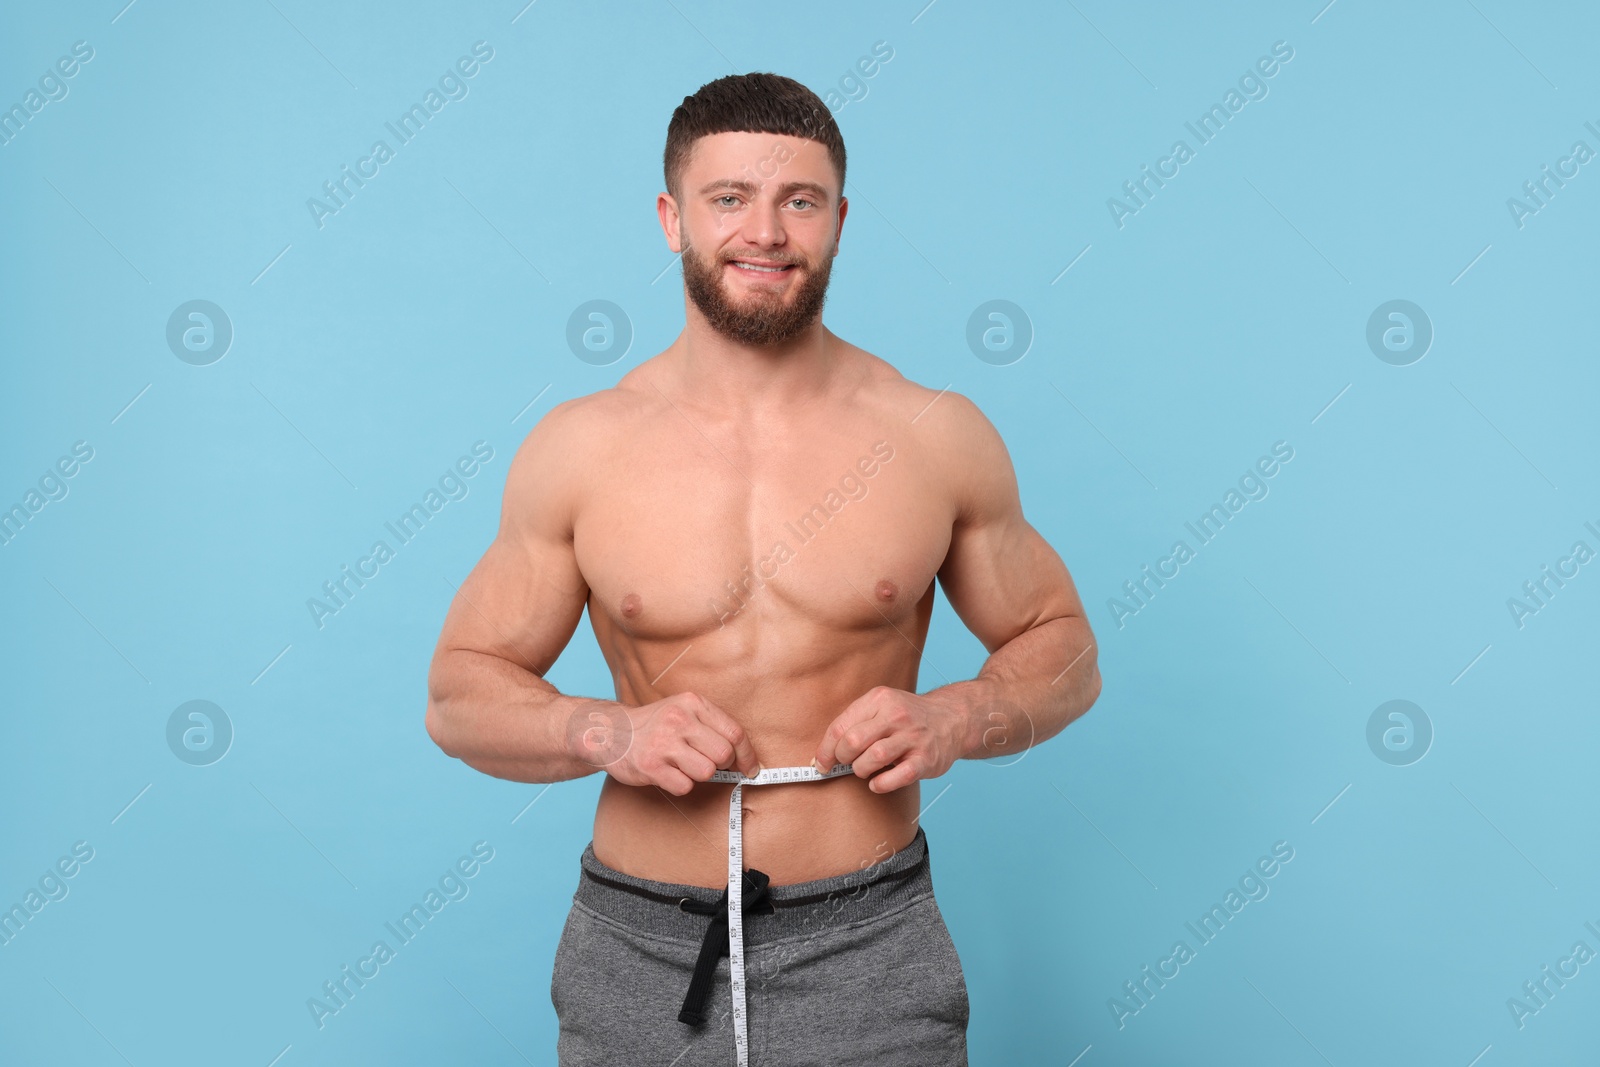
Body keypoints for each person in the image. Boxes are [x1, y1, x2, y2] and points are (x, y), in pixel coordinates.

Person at [424, 71, 1102, 1066]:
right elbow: (457, 694)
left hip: (868, 941)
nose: (766, 233)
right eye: (729, 198)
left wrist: (954, 715)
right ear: (672, 218)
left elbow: (1066, 648)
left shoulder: (932, 434)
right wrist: (602, 726)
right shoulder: (582, 448)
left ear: (838, 219)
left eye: (799, 200)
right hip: (640, 946)